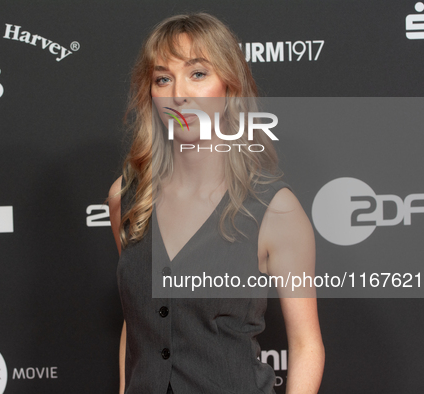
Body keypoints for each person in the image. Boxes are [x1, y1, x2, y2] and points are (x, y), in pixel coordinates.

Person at [108, 13, 324, 394]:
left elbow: (307, 346)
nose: (179, 93)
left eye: (197, 73)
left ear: (230, 86)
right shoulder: (127, 198)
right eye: (163, 78)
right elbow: (137, 321)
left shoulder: (275, 210)